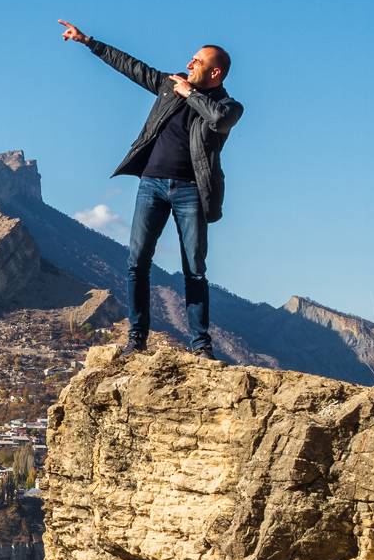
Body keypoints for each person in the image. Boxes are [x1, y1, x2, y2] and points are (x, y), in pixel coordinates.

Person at [58, 20, 244, 358]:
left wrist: (189, 94)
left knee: (194, 269)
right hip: (152, 185)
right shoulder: (169, 85)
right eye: (191, 59)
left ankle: (201, 346)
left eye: (197, 61)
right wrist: (88, 41)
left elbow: (218, 120)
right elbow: (132, 67)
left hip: (191, 191)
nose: (189, 64)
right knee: (137, 262)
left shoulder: (229, 106)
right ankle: (137, 339)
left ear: (215, 73)